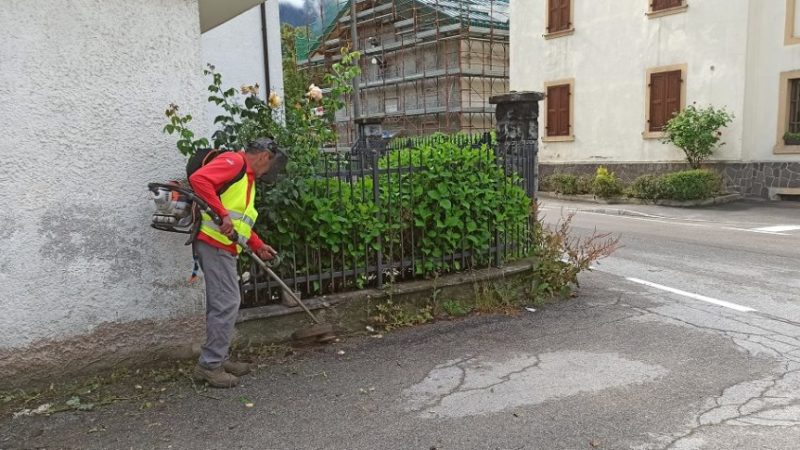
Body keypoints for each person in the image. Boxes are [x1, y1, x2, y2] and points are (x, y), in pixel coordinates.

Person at [189, 138, 279, 388]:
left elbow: (241, 223)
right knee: (227, 302)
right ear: (263, 157)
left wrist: (258, 245)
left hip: (224, 245)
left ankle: (218, 357)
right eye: (270, 164)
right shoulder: (234, 161)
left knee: (221, 302)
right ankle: (210, 366)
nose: (269, 170)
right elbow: (199, 180)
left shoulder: (246, 177)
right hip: (214, 243)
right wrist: (222, 215)